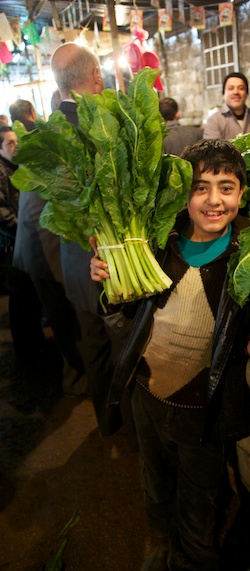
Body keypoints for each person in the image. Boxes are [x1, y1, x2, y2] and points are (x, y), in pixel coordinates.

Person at [90, 139, 250, 571]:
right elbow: (123, 314)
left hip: (202, 411)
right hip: (147, 394)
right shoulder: (157, 242)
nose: (214, 200)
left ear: (241, 195)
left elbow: (244, 320)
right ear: (184, 196)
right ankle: (158, 542)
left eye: (226, 187)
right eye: (201, 187)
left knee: (200, 499)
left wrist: (249, 344)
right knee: (155, 485)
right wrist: (105, 282)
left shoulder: (249, 253)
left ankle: (192, 562)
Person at [50, 42, 131, 428]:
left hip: (74, 267)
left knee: (94, 349)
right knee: (125, 352)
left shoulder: (49, 131)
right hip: (109, 265)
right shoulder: (101, 123)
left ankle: (106, 422)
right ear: (97, 75)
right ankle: (133, 431)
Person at [11, 99, 87, 395]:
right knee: (62, 317)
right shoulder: (48, 150)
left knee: (64, 316)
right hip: (42, 252)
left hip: (47, 248)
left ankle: (77, 368)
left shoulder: (49, 147)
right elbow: (37, 211)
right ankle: (77, 373)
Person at [0, 125, 45, 357]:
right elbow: (2, 211)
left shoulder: (11, 167)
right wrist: (21, 227)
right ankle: (27, 349)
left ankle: (32, 343)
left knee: (25, 296)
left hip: (18, 239)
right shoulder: (1, 170)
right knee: (19, 297)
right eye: (9, 143)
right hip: (9, 243)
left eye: (16, 142)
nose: (15, 147)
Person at [203, 72, 250, 140]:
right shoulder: (214, 121)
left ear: (246, 94)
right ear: (223, 94)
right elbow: (212, 150)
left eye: (241, 88)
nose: (236, 92)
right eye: (231, 88)